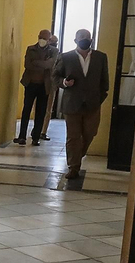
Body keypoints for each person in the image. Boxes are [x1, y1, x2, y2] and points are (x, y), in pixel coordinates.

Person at [54, 27, 109, 179]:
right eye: (82, 36)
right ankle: (73, 167)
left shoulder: (100, 57)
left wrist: (99, 99)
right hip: (72, 103)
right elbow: (55, 76)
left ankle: (78, 154)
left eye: (88, 36)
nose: (86, 38)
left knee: (90, 133)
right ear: (76, 40)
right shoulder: (66, 57)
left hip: (93, 104)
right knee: (73, 137)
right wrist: (64, 82)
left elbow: (105, 82)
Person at [14, 28, 58, 146]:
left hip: (45, 86)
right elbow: (28, 65)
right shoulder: (31, 49)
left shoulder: (54, 51)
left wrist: (36, 62)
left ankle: (36, 137)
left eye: (45, 38)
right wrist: (42, 64)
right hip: (30, 84)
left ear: (49, 40)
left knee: (41, 111)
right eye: (41, 37)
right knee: (26, 109)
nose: (42, 40)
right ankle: (22, 136)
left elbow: (50, 64)